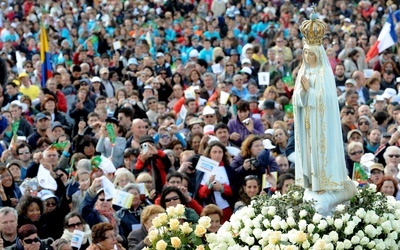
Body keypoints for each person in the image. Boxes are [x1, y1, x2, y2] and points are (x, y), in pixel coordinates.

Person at [293, 14, 348, 193]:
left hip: (320, 122)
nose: (308, 56)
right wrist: (302, 92)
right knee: (309, 151)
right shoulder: (303, 72)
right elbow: (296, 100)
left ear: (318, 54)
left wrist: (309, 90)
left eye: (311, 53)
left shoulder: (324, 74)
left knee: (319, 149)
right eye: (305, 53)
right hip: (307, 121)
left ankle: (323, 184)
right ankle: (310, 182)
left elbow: (327, 101)